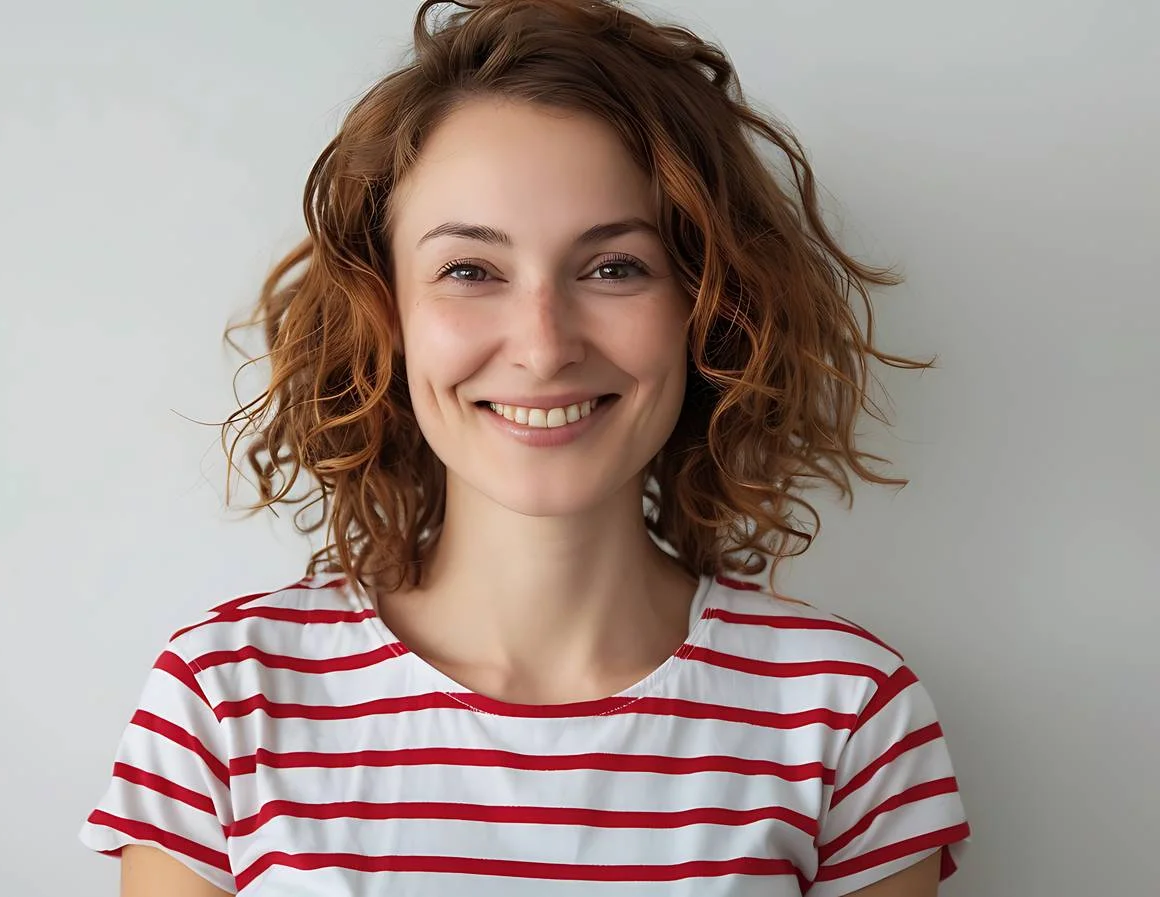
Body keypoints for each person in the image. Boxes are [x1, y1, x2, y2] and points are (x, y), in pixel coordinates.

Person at [79, 1, 972, 894]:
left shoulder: (848, 716)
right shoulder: (224, 701)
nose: (544, 347)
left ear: (708, 306)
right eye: (471, 270)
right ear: (382, 314)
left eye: (615, 266)